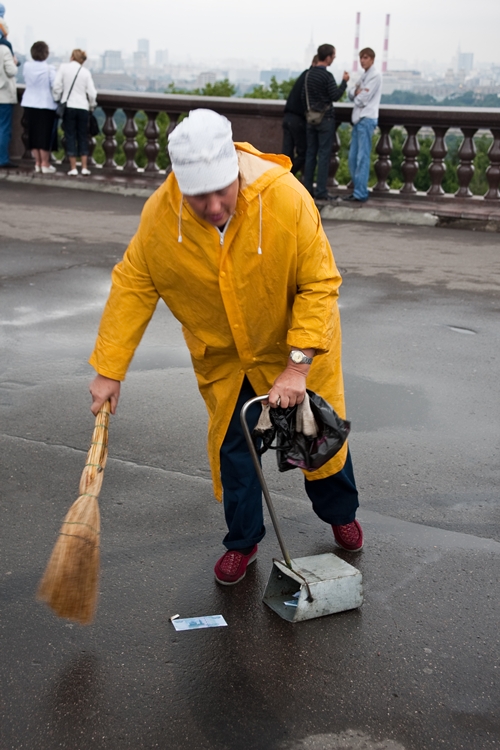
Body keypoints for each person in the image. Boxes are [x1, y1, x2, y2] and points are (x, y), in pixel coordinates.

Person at [88, 108, 363, 587]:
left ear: (236, 170)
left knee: (317, 436)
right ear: (179, 184)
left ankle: (340, 514)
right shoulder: (161, 215)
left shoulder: (284, 197)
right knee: (237, 452)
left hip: (294, 346)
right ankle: (242, 541)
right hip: (227, 358)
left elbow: (320, 284)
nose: (214, 206)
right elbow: (133, 285)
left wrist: (296, 367)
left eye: (223, 190)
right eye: (199, 196)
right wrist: (110, 369)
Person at [302, 43, 349, 202]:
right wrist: (344, 82)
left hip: (310, 118)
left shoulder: (309, 75)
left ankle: (307, 189)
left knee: (310, 154)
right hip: (325, 119)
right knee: (323, 155)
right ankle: (321, 190)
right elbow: (335, 95)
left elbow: (303, 96)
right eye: (333, 56)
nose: (333, 59)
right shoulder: (327, 76)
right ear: (328, 57)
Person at [343, 47, 382, 203]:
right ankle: (358, 190)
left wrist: (357, 93)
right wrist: (356, 92)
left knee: (362, 158)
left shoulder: (375, 75)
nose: (362, 60)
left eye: (365, 57)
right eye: (361, 58)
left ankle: (360, 193)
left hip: (366, 119)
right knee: (353, 158)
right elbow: (351, 93)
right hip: (358, 120)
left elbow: (361, 99)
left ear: (372, 59)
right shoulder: (364, 75)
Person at [52, 48, 97, 176]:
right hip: (83, 107)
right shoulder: (85, 72)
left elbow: (57, 86)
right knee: (83, 136)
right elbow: (92, 93)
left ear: (72, 57)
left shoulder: (63, 68)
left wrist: (58, 99)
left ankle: (73, 168)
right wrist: (91, 106)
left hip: (69, 106)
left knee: (70, 136)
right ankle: (84, 167)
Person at [21, 41, 58, 174]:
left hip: (29, 103)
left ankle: (37, 163)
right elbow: (55, 85)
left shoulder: (26, 66)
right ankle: (45, 163)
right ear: (46, 54)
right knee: (44, 136)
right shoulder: (49, 69)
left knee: (33, 135)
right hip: (45, 104)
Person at [281, 55, 317, 177]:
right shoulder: (311, 77)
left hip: (287, 117)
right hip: (297, 119)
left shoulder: (304, 75)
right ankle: (286, 176)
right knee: (304, 152)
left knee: (286, 154)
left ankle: (282, 176)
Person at [0, 34, 17, 169]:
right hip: (3, 96)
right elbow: (11, 71)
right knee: (4, 128)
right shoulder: (4, 49)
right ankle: (2, 159)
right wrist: (14, 63)